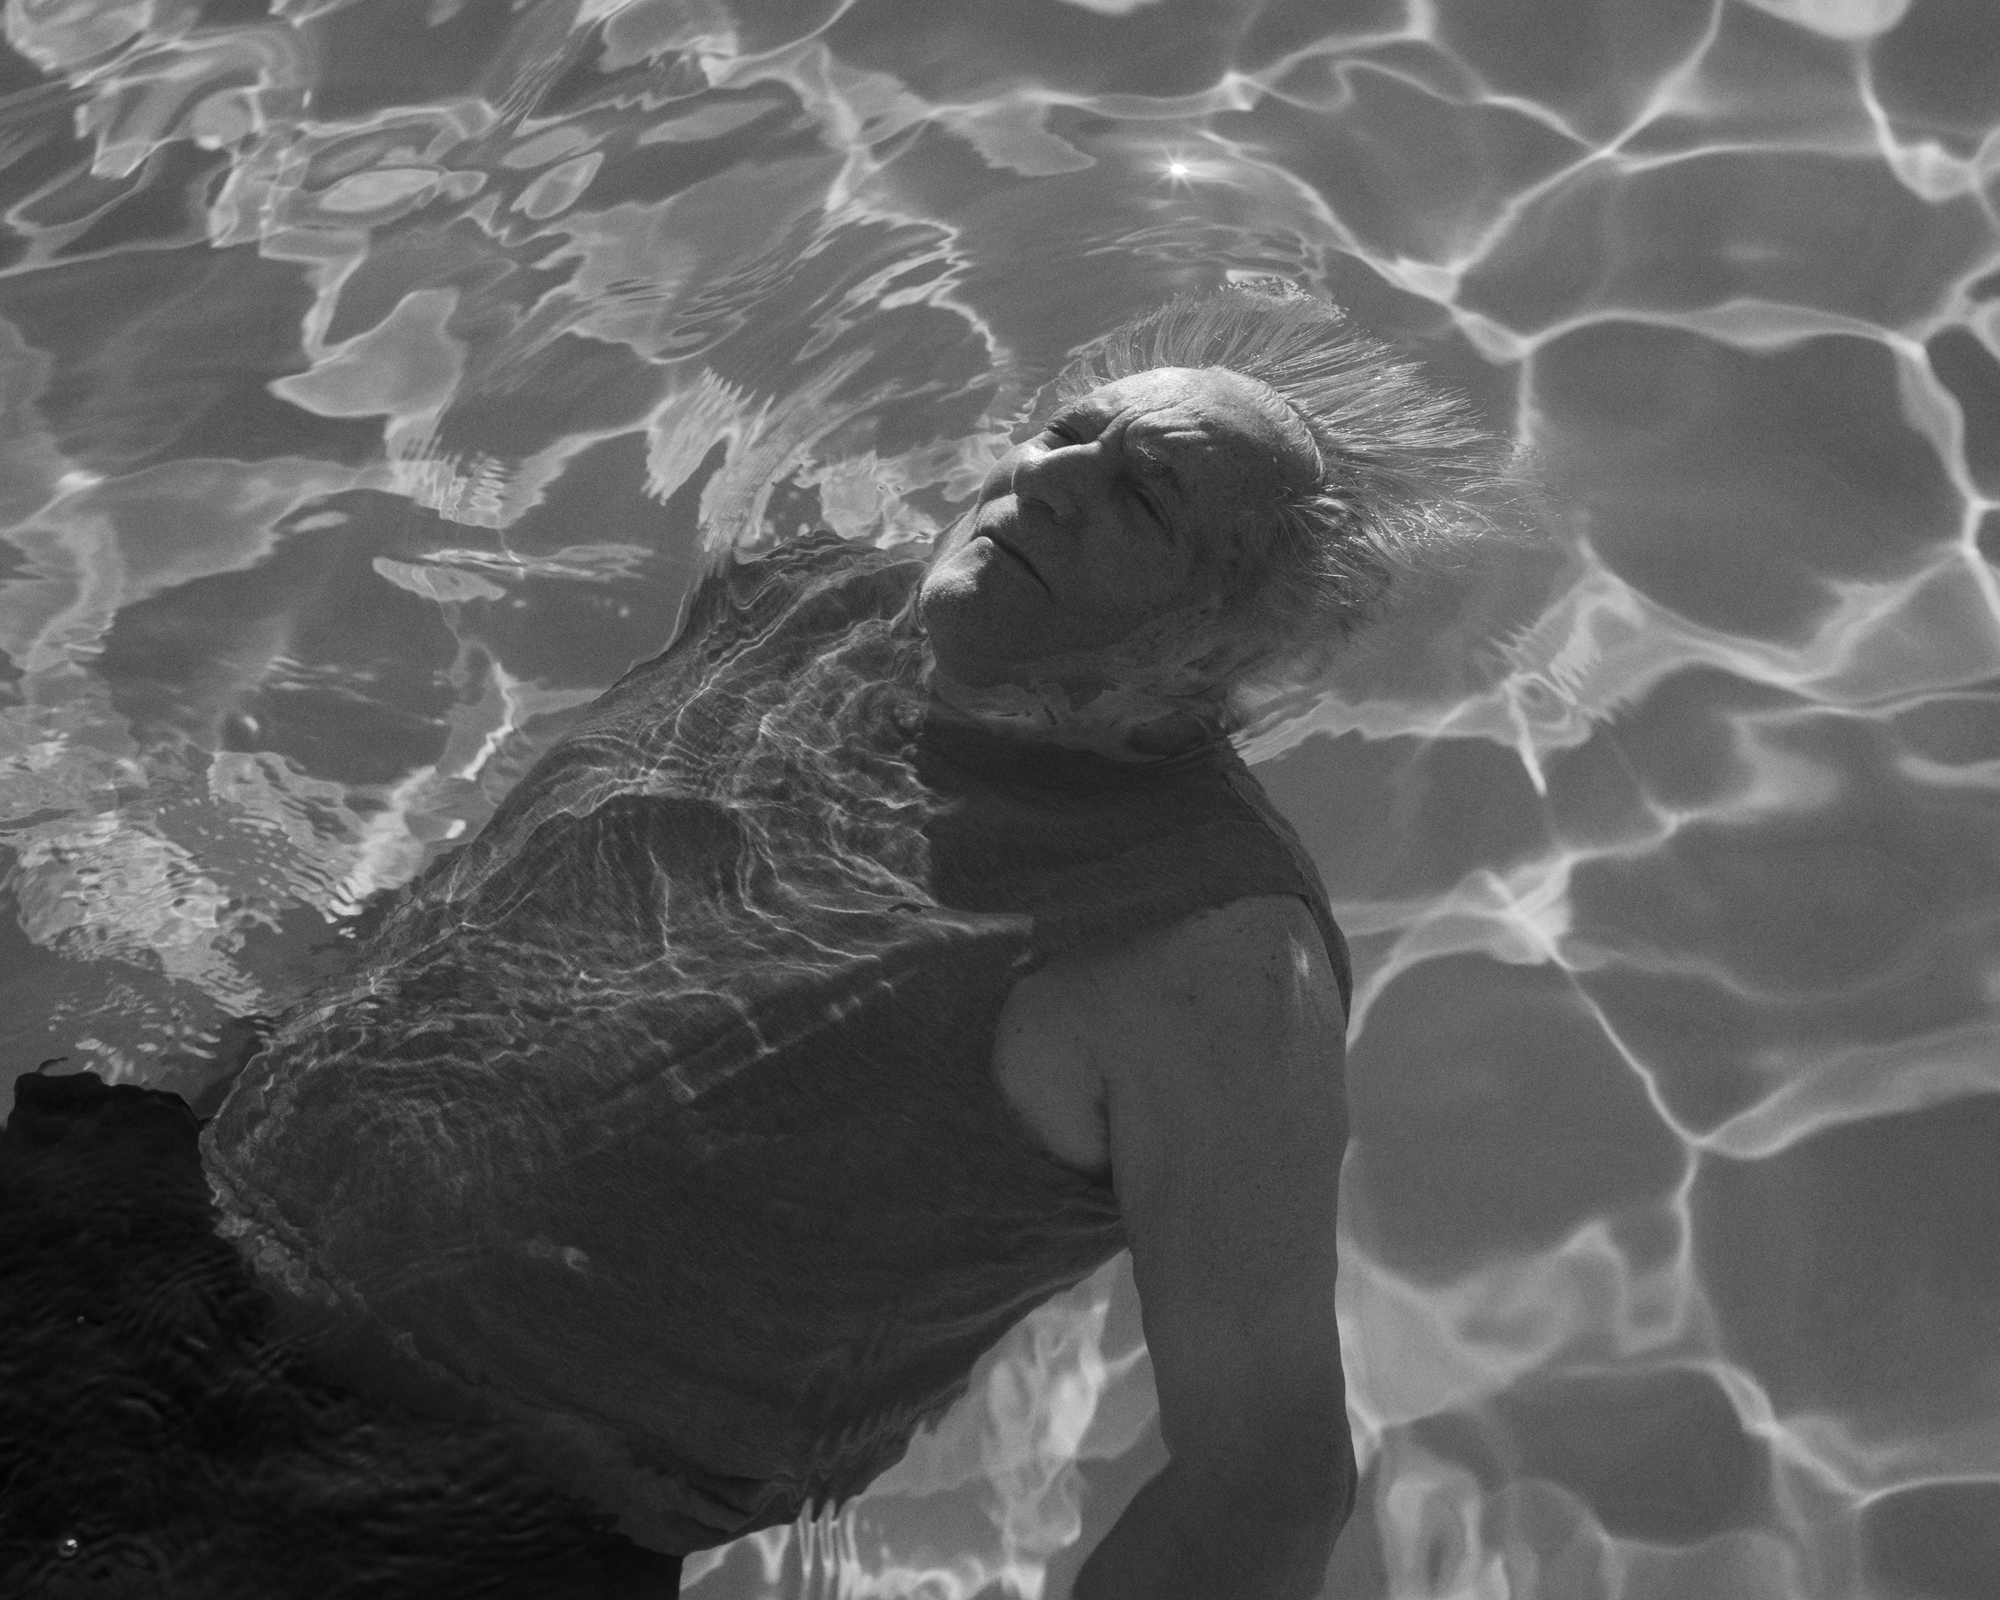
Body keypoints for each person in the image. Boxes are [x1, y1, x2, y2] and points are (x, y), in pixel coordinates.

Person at [2, 281, 1515, 1599]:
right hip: (137, 1244)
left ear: (1233, 635)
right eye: (1067, 431)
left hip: (423, 1509)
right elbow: (473, 910)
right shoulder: (799, 605)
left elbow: (1266, 1475)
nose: (1053, 481)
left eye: (1147, 493)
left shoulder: (1211, 958)